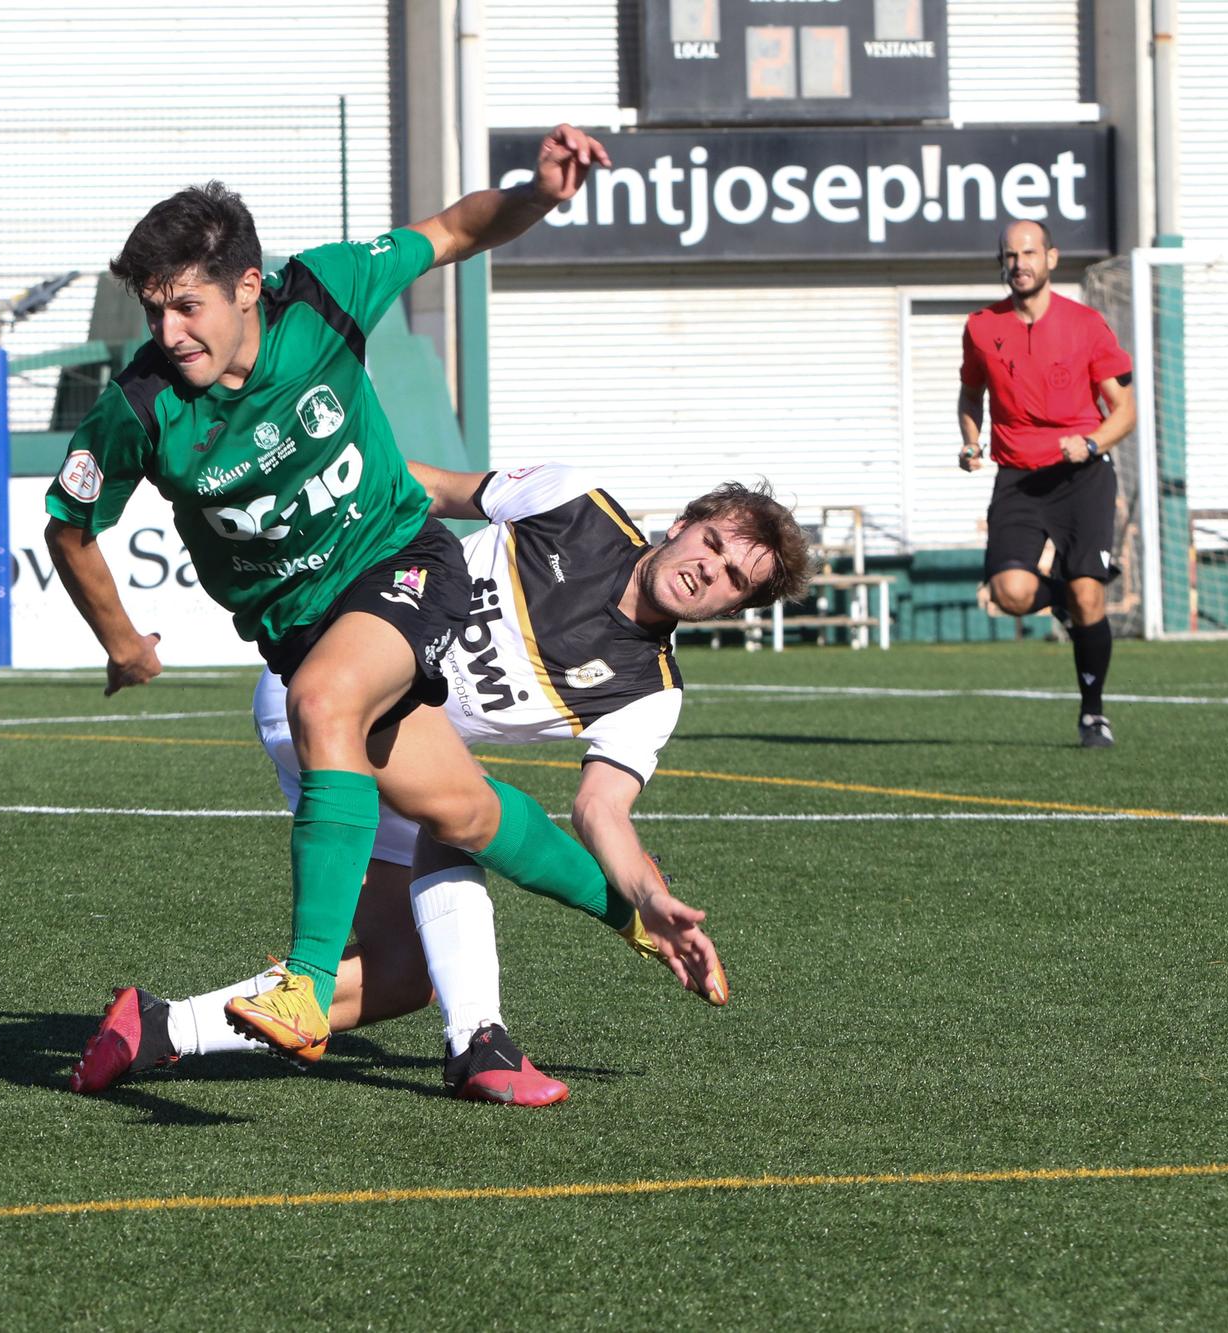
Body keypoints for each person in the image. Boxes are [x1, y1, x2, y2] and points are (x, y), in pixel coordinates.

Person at [46, 128, 725, 1075]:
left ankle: (308, 983)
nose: (170, 334)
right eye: (155, 311)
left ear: (249, 286)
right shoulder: (142, 408)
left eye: (188, 307)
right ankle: (633, 925)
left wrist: (536, 191)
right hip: (299, 627)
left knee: (324, 700)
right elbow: (70, 527)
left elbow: (452, 231)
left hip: (400, 562)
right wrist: (122, 642)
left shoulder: (322, 293)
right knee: (469, 815)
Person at [69, 461, 812, 1104]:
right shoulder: (575, 502)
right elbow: (426, 486)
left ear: (734, 610)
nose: (708, 570)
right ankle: (478, 1040)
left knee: (404, 973)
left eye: (733, 579)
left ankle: (161, 1025)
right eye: (711, 544)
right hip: (337, 672)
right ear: (683, 523)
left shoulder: (650, 691)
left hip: (404, 745)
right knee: (466, 809)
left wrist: (651, 893)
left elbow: (600, 808)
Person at [959, 219, 1137, 747]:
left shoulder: (1087, 325)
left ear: (1051, 259)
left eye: (1029, 253)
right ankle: (1060, 596)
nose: (1020, 264)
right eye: (1011, 255)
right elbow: (971, 396)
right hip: (1018, 478)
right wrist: (971, 442)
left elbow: (1124, 411)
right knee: (1009, 594)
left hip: (1082, 475)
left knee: (1090, 599)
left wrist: (1092, 442)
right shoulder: (980, 328)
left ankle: (1093, 712)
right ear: (1002, 263)